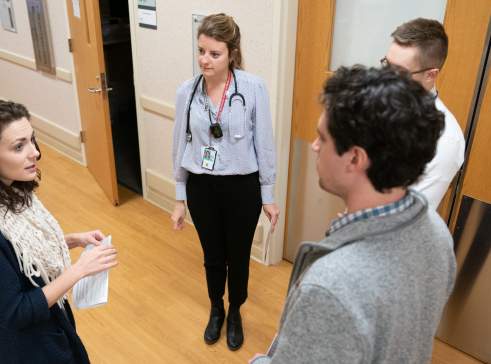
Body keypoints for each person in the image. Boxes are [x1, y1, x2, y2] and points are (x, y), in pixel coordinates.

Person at [248, 65, 456, 363]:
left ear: (356, 157)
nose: (315, 146)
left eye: (323, 138)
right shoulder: (437, 232)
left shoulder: (331, 287)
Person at [0, 100, 119, 364]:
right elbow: (14, 313)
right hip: (28, 349)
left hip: (51, 325)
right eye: (19, 146)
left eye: (32, 140)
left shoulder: (11, 189)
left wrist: (72, 240)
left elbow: (17, 254)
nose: (35, 153)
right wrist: (79, 270)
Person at [171, 13, 279, 351]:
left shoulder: (252, 87)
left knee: (239, 254)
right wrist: (179, 197)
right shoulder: (186, 92)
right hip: (200, 188)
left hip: (241, 187)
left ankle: (235, 311)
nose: (205, 59)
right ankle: (216, 308)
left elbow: (264, 143)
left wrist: (268, 194)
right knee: (212, 255)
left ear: (232, 53)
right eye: (201, 51)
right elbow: (179, 144)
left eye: (214, 53)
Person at [383, 18, 465, 210]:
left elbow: (411, 218)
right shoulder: (382, 103)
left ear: (430, 74)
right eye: (387, 63)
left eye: (399, 71)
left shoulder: (444, 139)